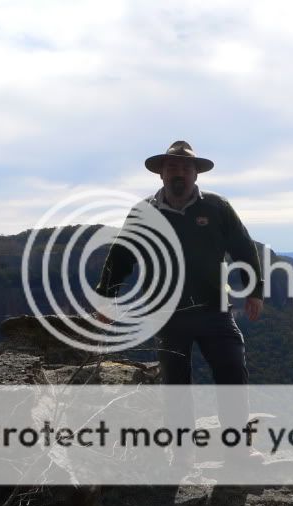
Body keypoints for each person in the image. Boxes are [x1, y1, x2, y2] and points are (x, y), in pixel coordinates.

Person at [94, 140, 264, 467]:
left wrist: (255, 289)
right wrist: (106, 298)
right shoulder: (144, 212)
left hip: (215, 310)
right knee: (176, 384)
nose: (179, 173)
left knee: (231, 370)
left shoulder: (217, 208)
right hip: (167, 314)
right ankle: (182, 455)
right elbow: (122, 255)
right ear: (161, 174)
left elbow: (243, 247)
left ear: (195, 174)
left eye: (185, 168)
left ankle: (238, 450)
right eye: (172, 167)